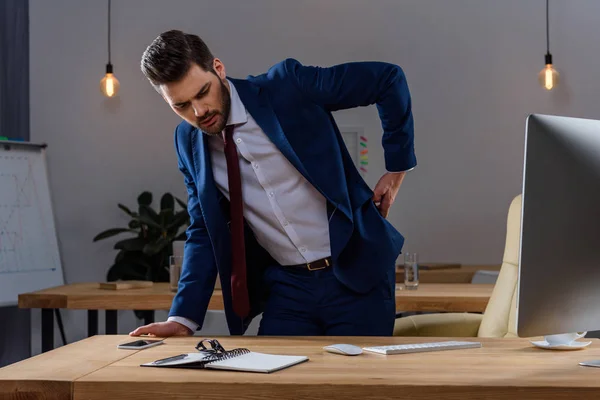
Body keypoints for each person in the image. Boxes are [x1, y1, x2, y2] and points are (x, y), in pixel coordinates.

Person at [130, 30, 416, 337]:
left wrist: (397, 167)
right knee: (271, 380)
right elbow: (204, 229)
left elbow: (387, 79)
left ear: (218, 68)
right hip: (288, 287)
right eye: (181, 105)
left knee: (357, 384)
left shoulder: (287, 86)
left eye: (202, 93)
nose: (199, 112)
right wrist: (182, 319)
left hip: (355, 273)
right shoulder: (188, 142)